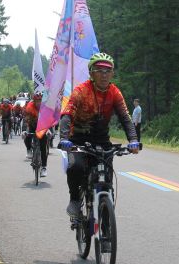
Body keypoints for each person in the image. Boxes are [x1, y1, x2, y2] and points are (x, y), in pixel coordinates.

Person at [58, 52, 140, 217]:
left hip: (101, 139)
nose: (104, 74)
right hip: (78, 138)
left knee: (107, 176)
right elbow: (67, 115)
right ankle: (74, 199)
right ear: (91, 73)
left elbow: (125, 118)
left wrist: (133, 140)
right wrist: (64, 138)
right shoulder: (81, 91)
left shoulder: (114, 92)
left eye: (108, 70)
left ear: (112, 73)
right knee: (76, 167)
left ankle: (105, 210)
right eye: (99, 70)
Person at [23, 92, 48, 177]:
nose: (39, 102)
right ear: (34, 101)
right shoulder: (29, 107)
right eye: (37, 101)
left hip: (42, 127)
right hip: (32, 126)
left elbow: (49, 119)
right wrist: (24, 130)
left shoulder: (46, 108)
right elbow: (25, 120)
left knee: (43, 147)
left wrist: (49, 130)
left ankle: (44, 167)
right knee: (27, 136)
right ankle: (29, 149)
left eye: (41, 100)